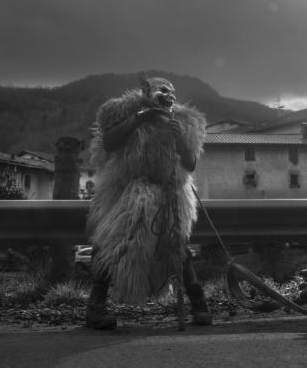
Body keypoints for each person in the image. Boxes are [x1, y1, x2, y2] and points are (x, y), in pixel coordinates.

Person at [85, 76, 212, 329]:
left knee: (176, 245)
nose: (168, 95)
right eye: (162, 90)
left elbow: (190, 163)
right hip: (127, 190)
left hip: (170, 191)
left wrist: (182, 141)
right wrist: (140, 118)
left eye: (171, 91)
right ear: (146, 90)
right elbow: (109, 142)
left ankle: (199, 305)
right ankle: (95, 309)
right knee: (112, 243)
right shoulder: (121, 111)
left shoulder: (183, 120)